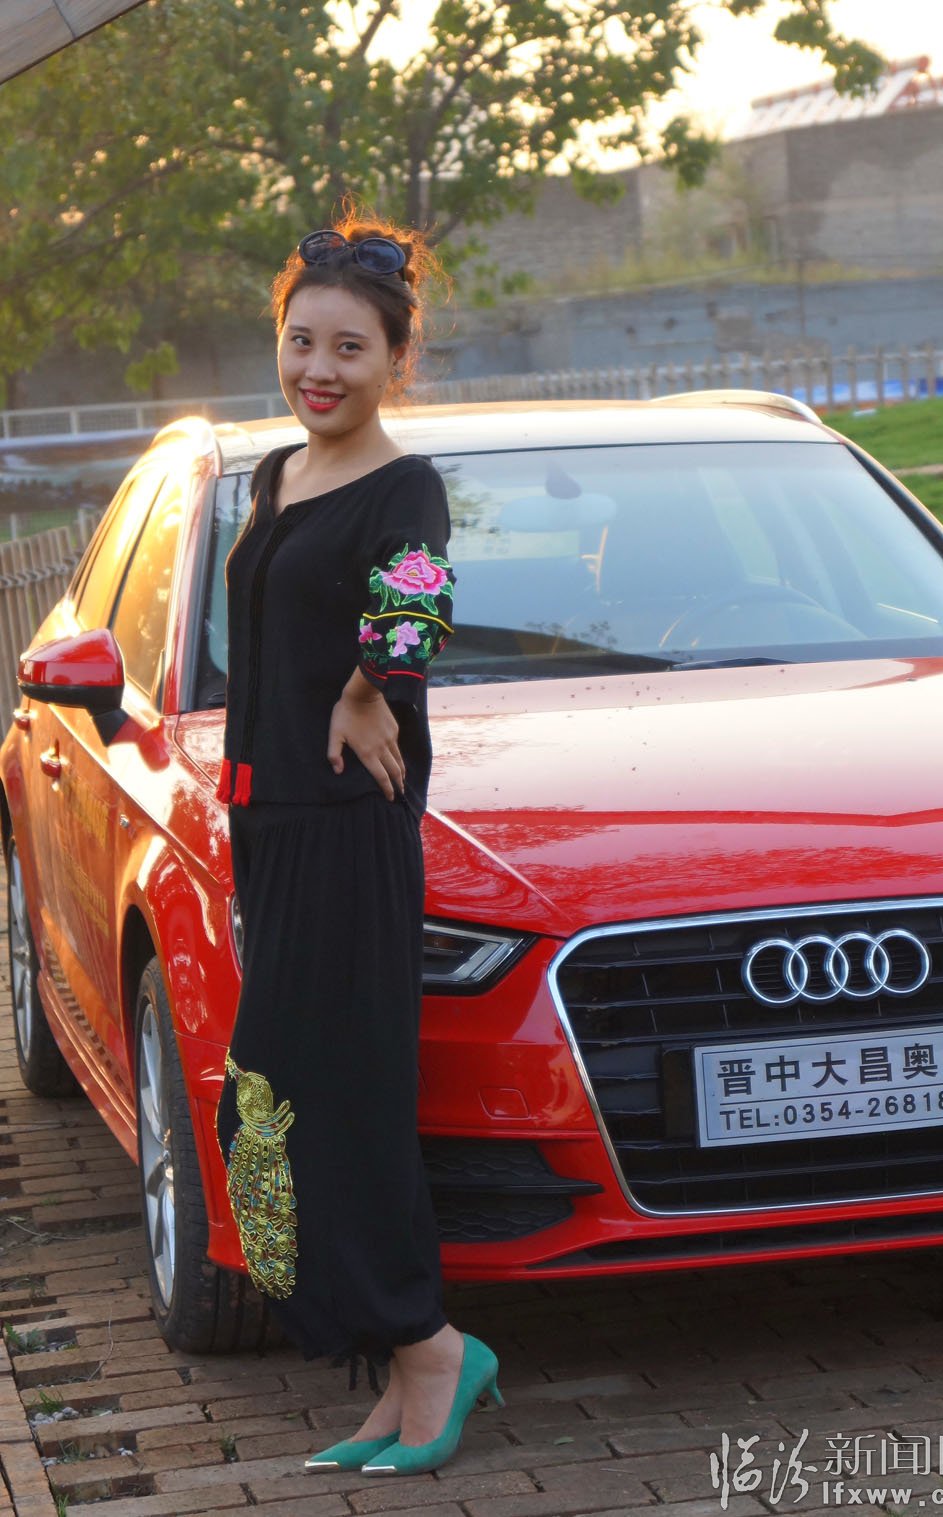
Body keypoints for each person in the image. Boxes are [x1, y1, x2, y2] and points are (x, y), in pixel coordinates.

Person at [214, 207, 502, 1478]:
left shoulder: (404, 484)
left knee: (339, 1098)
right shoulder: (275, 475)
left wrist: (371, 684)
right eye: (301, 342)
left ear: (396, 359)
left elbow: (416, 595)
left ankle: (432, 1345)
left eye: (348, 348)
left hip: (345, 824)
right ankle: (398, 1356)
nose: (318, 369)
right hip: (268, 821)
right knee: (281, 1098)